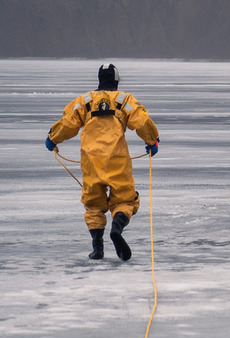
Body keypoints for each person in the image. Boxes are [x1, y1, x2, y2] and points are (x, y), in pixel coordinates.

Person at [45, 63, 159, 261]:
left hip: (91, 160)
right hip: (117, 158)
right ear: (116, 80)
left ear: (99, 79)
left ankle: (97, 248)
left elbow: (68, 123)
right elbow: (141, 121)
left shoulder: (85, 101)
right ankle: (117, 229)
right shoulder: (124, 99)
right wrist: (152, 141)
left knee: (93, 204)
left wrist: (52, 138)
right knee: (125, 199)